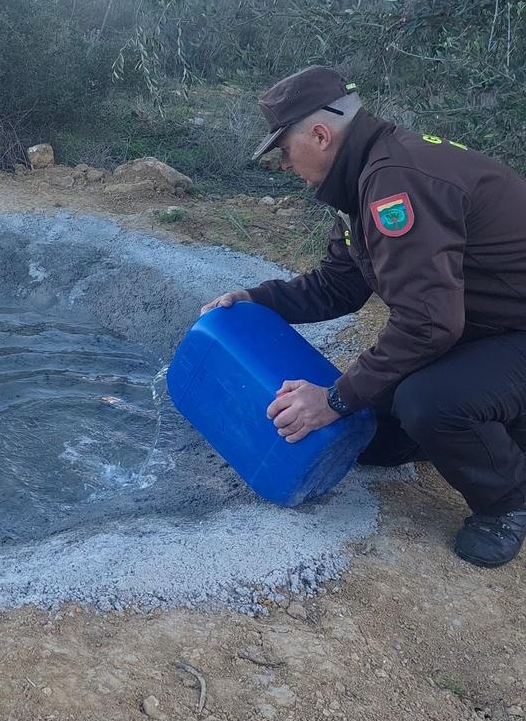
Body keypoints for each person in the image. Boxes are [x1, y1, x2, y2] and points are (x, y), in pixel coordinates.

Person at [202, 65, 526, 567]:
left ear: (320, 134)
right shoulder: (363, 179)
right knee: (376, 430)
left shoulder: (396, 183)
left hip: (511, 334)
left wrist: (334, 399)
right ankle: (455, 436)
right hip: (486, 328)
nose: (283, 164)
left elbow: (430, 323)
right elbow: (339, 285)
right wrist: (256, 298)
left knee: (429, 402)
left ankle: (507, 503)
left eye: (283, 150)